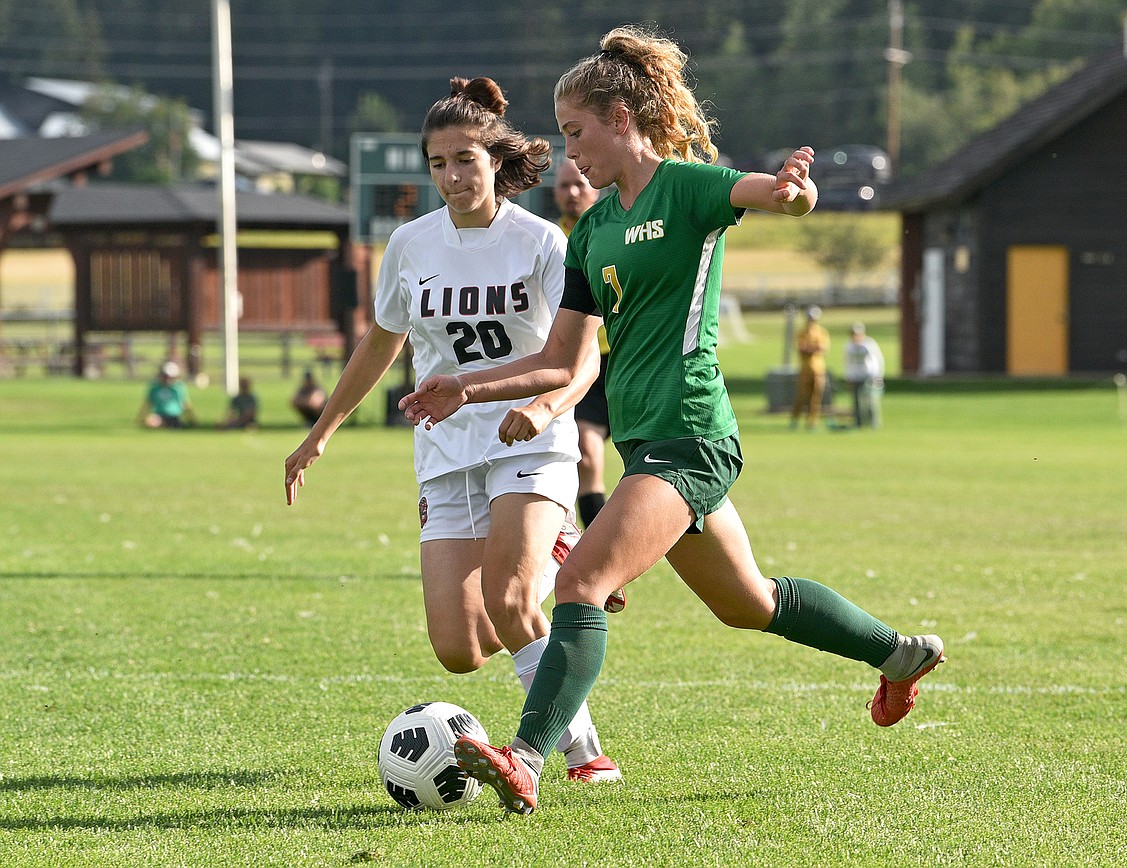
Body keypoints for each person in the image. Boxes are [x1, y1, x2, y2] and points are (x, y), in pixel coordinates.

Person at [399, 25, 944, 815]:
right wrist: (467, 387)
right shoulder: (592, 232)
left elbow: (771, 194)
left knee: (581, 581)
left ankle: (526, 759)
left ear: (622, 118)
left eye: (577, 132)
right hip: (646, 446)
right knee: (748, 603)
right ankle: (897, 654)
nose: (570, 152)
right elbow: (559, 360)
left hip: (690, 438)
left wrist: (797, 191)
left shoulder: (687, 188)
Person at [283, 76, 620, 783]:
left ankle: (583, 754)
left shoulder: (543, 243)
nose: (453, 176)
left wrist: (546, 409)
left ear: (495, 158)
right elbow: (381, 344)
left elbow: (581, 361)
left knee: (513, 598)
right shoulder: (410, 244)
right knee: (460, 647)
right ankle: (547, 563)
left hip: (530, 438)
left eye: (465, 159)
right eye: (438, 164)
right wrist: (322, 431)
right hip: (445, 445)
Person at [554, 159, 610, 531]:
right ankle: (597, 553)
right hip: (577, 361)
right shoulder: (548, 240)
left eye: (579, 183)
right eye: (563, 186)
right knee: (587, 455)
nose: (573, 192)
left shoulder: (616, 229)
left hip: (622, 358)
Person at [790, 305, 830, 429]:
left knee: (816, 397)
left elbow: (822, 348)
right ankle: (795, 420)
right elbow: (801, 348)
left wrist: (809, 349)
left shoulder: (821, 331)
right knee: (801, 397)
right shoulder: (802, 332)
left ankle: (812, 422)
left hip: (818, 369)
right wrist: (812, 349)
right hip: (805, 369)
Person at [843, 322, 885, 429]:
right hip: (856, 376)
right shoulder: (849, 346)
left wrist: (878, 376)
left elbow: (877, 360)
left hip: (869, 375)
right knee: (856, 401)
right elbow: (847, 363)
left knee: (870, 400)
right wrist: (849, 377)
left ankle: (873, 422)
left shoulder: (869, 344)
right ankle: (858, 422)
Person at [138, 361, 196, 428]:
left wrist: (192, 419)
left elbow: (186, 404)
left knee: (176, 424)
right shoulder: (154, 388)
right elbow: (148, 403)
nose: (167, 379)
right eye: (165, 376)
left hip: (174, 416)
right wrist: (141, 418)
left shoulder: (178, 388)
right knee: (151, 422)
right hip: (159, 415)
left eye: (170, 377)